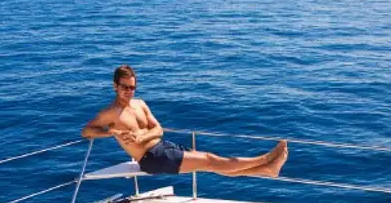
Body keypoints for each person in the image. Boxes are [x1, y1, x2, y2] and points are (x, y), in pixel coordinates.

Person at [81, 65, 289, 177]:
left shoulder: (140, 104)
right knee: (210, 160)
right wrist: (113, 133)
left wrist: (143, 135)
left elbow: (158, 129)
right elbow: (87, 131)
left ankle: (266, 170)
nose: (129, 91)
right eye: (124, 87)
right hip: (151, 159)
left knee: (212, 164)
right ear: (115, 86)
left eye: (132, 87)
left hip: (163, 147)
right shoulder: (110, 113)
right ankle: (265, 159)